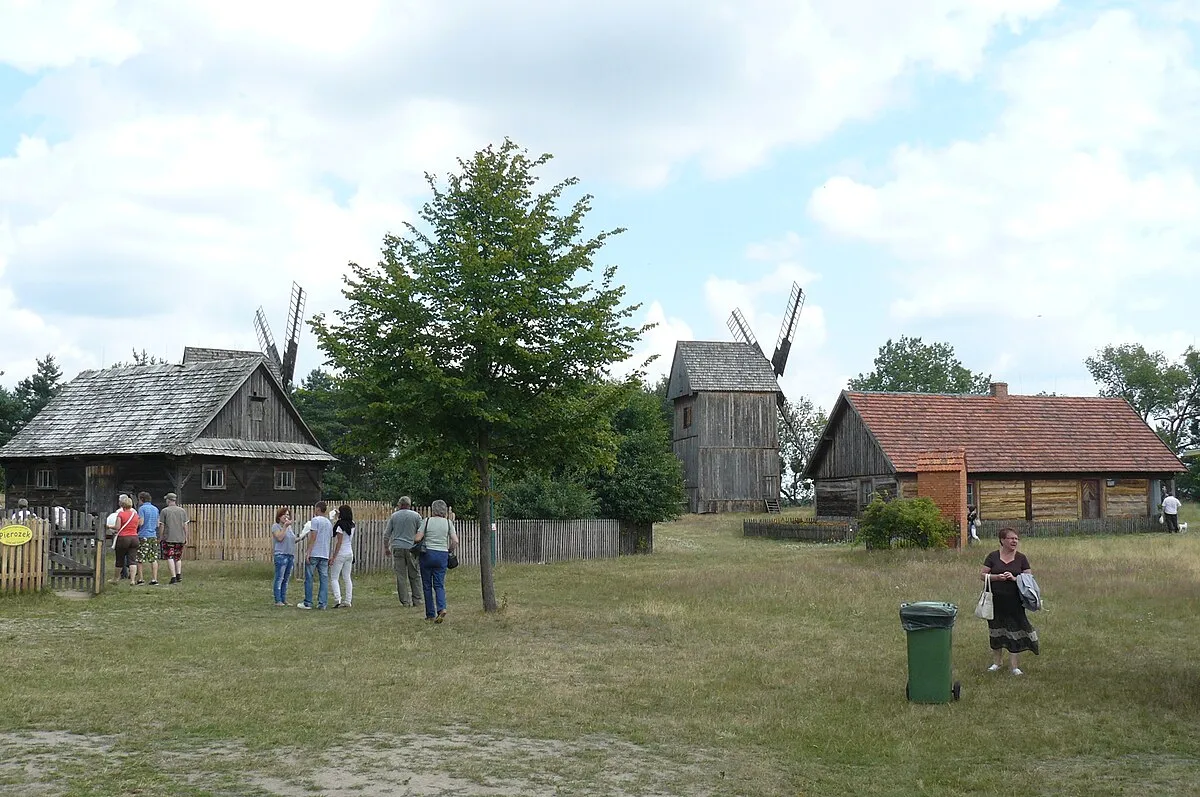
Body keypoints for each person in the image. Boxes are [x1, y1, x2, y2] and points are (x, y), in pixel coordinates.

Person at [980, 527, 1039, 675]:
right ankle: (996, 663)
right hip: (995, 600)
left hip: (1015, 602)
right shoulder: (992, 556)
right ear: (1002, 540)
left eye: (1016, 539)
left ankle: (1014, 666)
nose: (1014, 541)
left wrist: (1014, 578)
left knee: (1014, 631)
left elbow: (1029, 579)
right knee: (996, 630)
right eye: (1011, 538)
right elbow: (982, 575)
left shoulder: (1021, 558)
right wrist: (996, 577)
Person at [413, 499, 458, 623]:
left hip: (427, 554)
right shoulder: (448, 523)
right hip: (442, 555)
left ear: (433, 510)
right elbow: (455, 541)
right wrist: (449, 550)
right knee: (439, 584)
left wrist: (416, 540)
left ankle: (430, 614)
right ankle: (442, 608)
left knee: (427, 586)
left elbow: (418, 538)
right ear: (444, 511)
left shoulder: (426, 521)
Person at [384, 496, 424, 607]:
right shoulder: (416, 516)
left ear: (400, 504)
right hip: (412, 548)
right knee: (414, 574)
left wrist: (386, 548)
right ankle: (417, 599)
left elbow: (386, 534)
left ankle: (405, 601)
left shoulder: (394, 516)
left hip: (398, 547)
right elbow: (421, 532)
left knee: (401, 576)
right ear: (409, 505)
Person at [297, 501, 333, 610]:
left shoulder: (315, 520)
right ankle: (322, 603)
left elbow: (313, 537)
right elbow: (329, 539)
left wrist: (308, 552)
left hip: (315, 553)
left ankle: (308, 602)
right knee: (324, 578)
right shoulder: (329, 523)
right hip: (324, 553)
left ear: (317, 509)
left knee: (309, 578)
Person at [158, 493, 189, 584]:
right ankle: (179, 574)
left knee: (170, 556)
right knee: (178, 557)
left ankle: (173, 576)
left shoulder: (164, 511)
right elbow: (185, 525)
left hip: (169, 537)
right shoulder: (182, 511)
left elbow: (162, 525)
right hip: (180, 537)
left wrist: (161, 536)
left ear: (168, 500)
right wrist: (186, 536)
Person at [329, 504, 355, 608]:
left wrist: (333, 557)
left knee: (334, 577)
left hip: (341, 553)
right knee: (347, 577)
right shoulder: (352, 524)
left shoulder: (340, 525)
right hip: (349, 552)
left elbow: (338, 542)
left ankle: (337, 599)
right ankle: (348, 600)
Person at [271, 507, 297, 606]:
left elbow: (292, 539)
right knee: (279, 578)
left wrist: (302, 536)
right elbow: (280, 538)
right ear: (279, 516)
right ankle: (278, 600)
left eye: (287, 514)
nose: (286, 516)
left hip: (290, 555)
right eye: (284, 515)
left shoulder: (289, 528)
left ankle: (283, 598)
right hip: (281, 555)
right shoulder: (276, 526)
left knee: (286, 579)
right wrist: (285, 527)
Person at [133, 492, 160, 585]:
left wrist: (135, 524)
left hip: (143, 535)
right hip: (153, 535)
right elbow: (157, 524)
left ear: (141, 499)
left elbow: (141, 522)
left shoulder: (142, 508)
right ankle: (154, 579)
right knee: (153, 558)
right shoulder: (155, 509)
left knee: (140, 558)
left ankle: (140, 579)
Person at [113, 495, 141, 583]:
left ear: (122, 505)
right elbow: (138, 525)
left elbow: (117, 527)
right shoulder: (136, 515)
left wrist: (109, 526)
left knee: (120, 559)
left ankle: (116, 578)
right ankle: (132, 580)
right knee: (132, 560)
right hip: (134, 538)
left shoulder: (121, 514)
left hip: (123, 538)